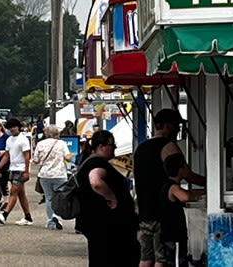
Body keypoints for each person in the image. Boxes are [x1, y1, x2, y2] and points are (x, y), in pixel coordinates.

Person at [134, 108, 207, 267]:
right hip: (164, 215)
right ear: (167, 125)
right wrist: (211, 185)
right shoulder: (168, 146)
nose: (178, 129)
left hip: (145, 213)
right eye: (177, 125)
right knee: (163, 259)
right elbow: (188, 175)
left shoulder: (141, 148)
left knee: (146, 258)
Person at [76, 130, 139, 266]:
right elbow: (95, 181)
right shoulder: (96, 164)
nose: (114, 148)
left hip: (97, 221)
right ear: (101, 146)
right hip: (106, 222)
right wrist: (112, 198)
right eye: (112, 145)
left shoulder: (87, 162)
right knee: (108, 257)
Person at [158, 154, 206, 267]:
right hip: (174, 236)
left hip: (171, 235)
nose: (188, 169)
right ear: (180, 169)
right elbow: (186, 196)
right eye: (186, 166)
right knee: (177, 263)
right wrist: (201, 193)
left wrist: (204, 191)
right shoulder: (172, 187)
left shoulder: (168, 186)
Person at [0, 118, 33, 226]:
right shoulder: (9, 140)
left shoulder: (23, 139)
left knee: (13, 192)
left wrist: (26, 171)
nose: (13, 129)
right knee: (21, 194)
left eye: (14, 127)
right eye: (11, 127)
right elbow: (7, 154)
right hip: (13, 167)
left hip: (21, 168)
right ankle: (28, 216)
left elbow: (27, 156)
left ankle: (5, 214)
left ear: (18, 127)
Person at [32, 124, 73, 230]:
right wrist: (71, 155)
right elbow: (67, 158)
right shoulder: (62, 144)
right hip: (59, 174)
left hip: (45, 175)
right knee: (61, 198)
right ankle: (57, 216)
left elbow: (36, 160)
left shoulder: (40, 144)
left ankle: (50, 222)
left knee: (49, 198)